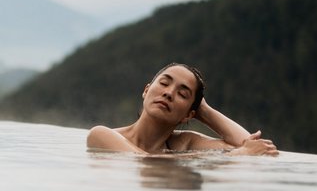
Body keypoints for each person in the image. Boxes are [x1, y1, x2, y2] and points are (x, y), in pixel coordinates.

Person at [86, 62, 278, 156]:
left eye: (183, 94)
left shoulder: (184, 144)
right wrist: (240, 154)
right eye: (164, 83)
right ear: (146, 90)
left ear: (189, 114)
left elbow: (247, 144)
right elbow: (142, 161)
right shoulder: (102, 135)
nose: (169, 93)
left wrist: (204, 110)